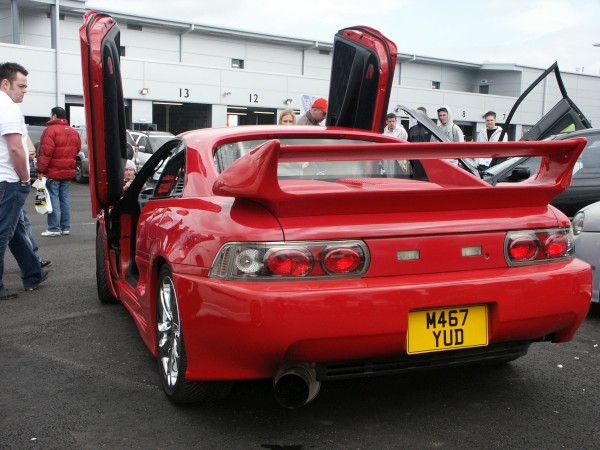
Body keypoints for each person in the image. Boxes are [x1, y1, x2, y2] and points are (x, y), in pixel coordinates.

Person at [0, 62, 48, 299]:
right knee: (3, 232)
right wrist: (24, 178)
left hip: (5, 180)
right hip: (8, 181)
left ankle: (33, 272)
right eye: (21, 86)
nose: (24, 91)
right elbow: (15, 149)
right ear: (5, 83)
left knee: (15, 229)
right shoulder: (7, 108)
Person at [36, 106, 81, 237]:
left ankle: (54, 228)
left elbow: (45, 153)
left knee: (53, 198)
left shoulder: (50, 131)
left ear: (54, 116)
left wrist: (41, 170)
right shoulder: (74, 132)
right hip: (67, 171)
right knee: (65, 198)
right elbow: (76, 149)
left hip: (53, 171)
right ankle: (65, 227)